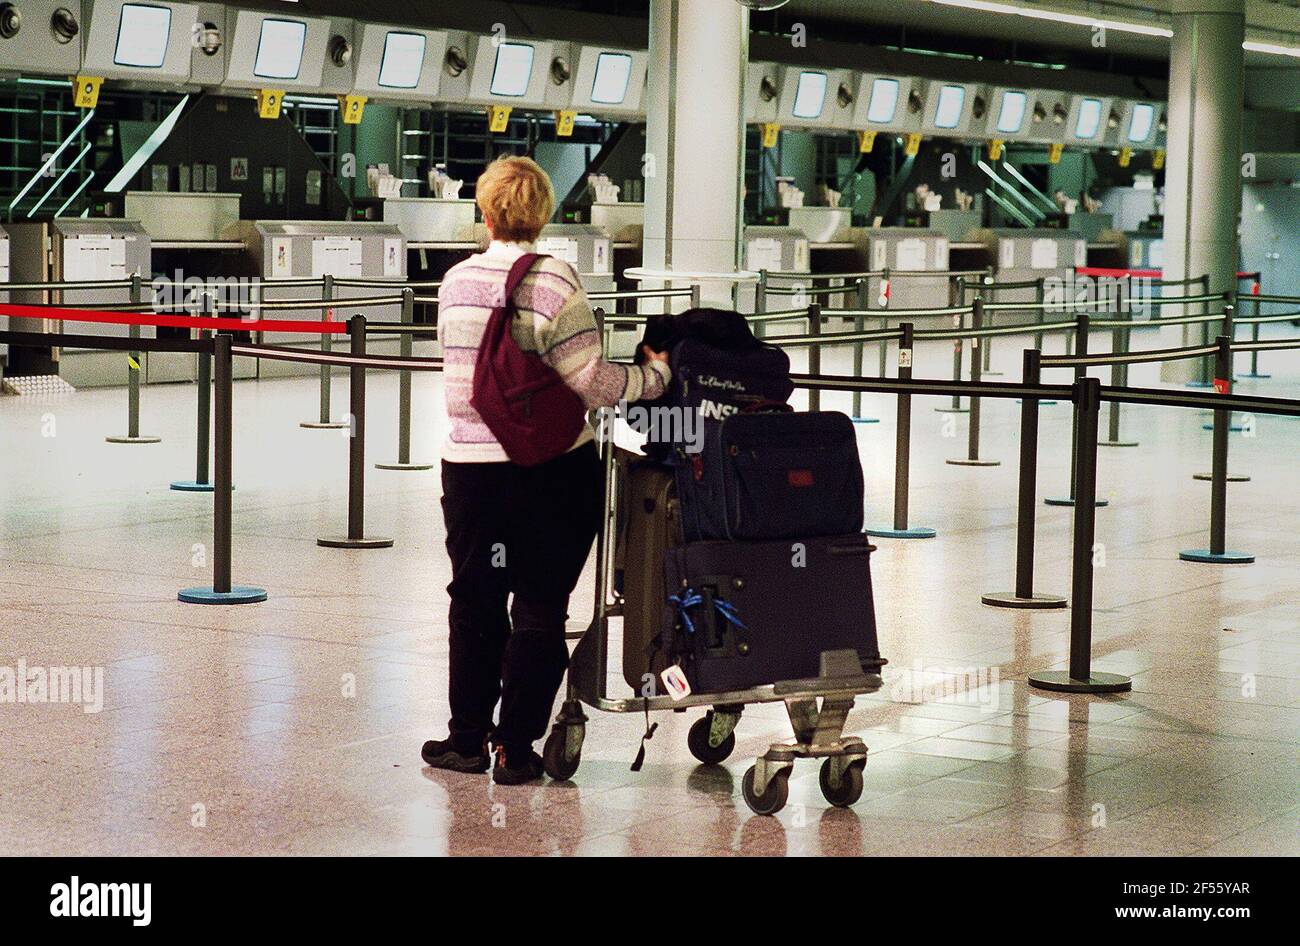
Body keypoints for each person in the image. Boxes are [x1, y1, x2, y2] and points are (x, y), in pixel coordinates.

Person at [422, 156, 671, 784]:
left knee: (474, 601)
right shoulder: (555, 282)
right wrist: (657, 376)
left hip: (471, 473)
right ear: (543, 213)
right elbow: (594, 382)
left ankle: (467, 739)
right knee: (539, 606)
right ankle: (516, 748)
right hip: (550, 474)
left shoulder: (454, 282)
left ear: (484, 211)